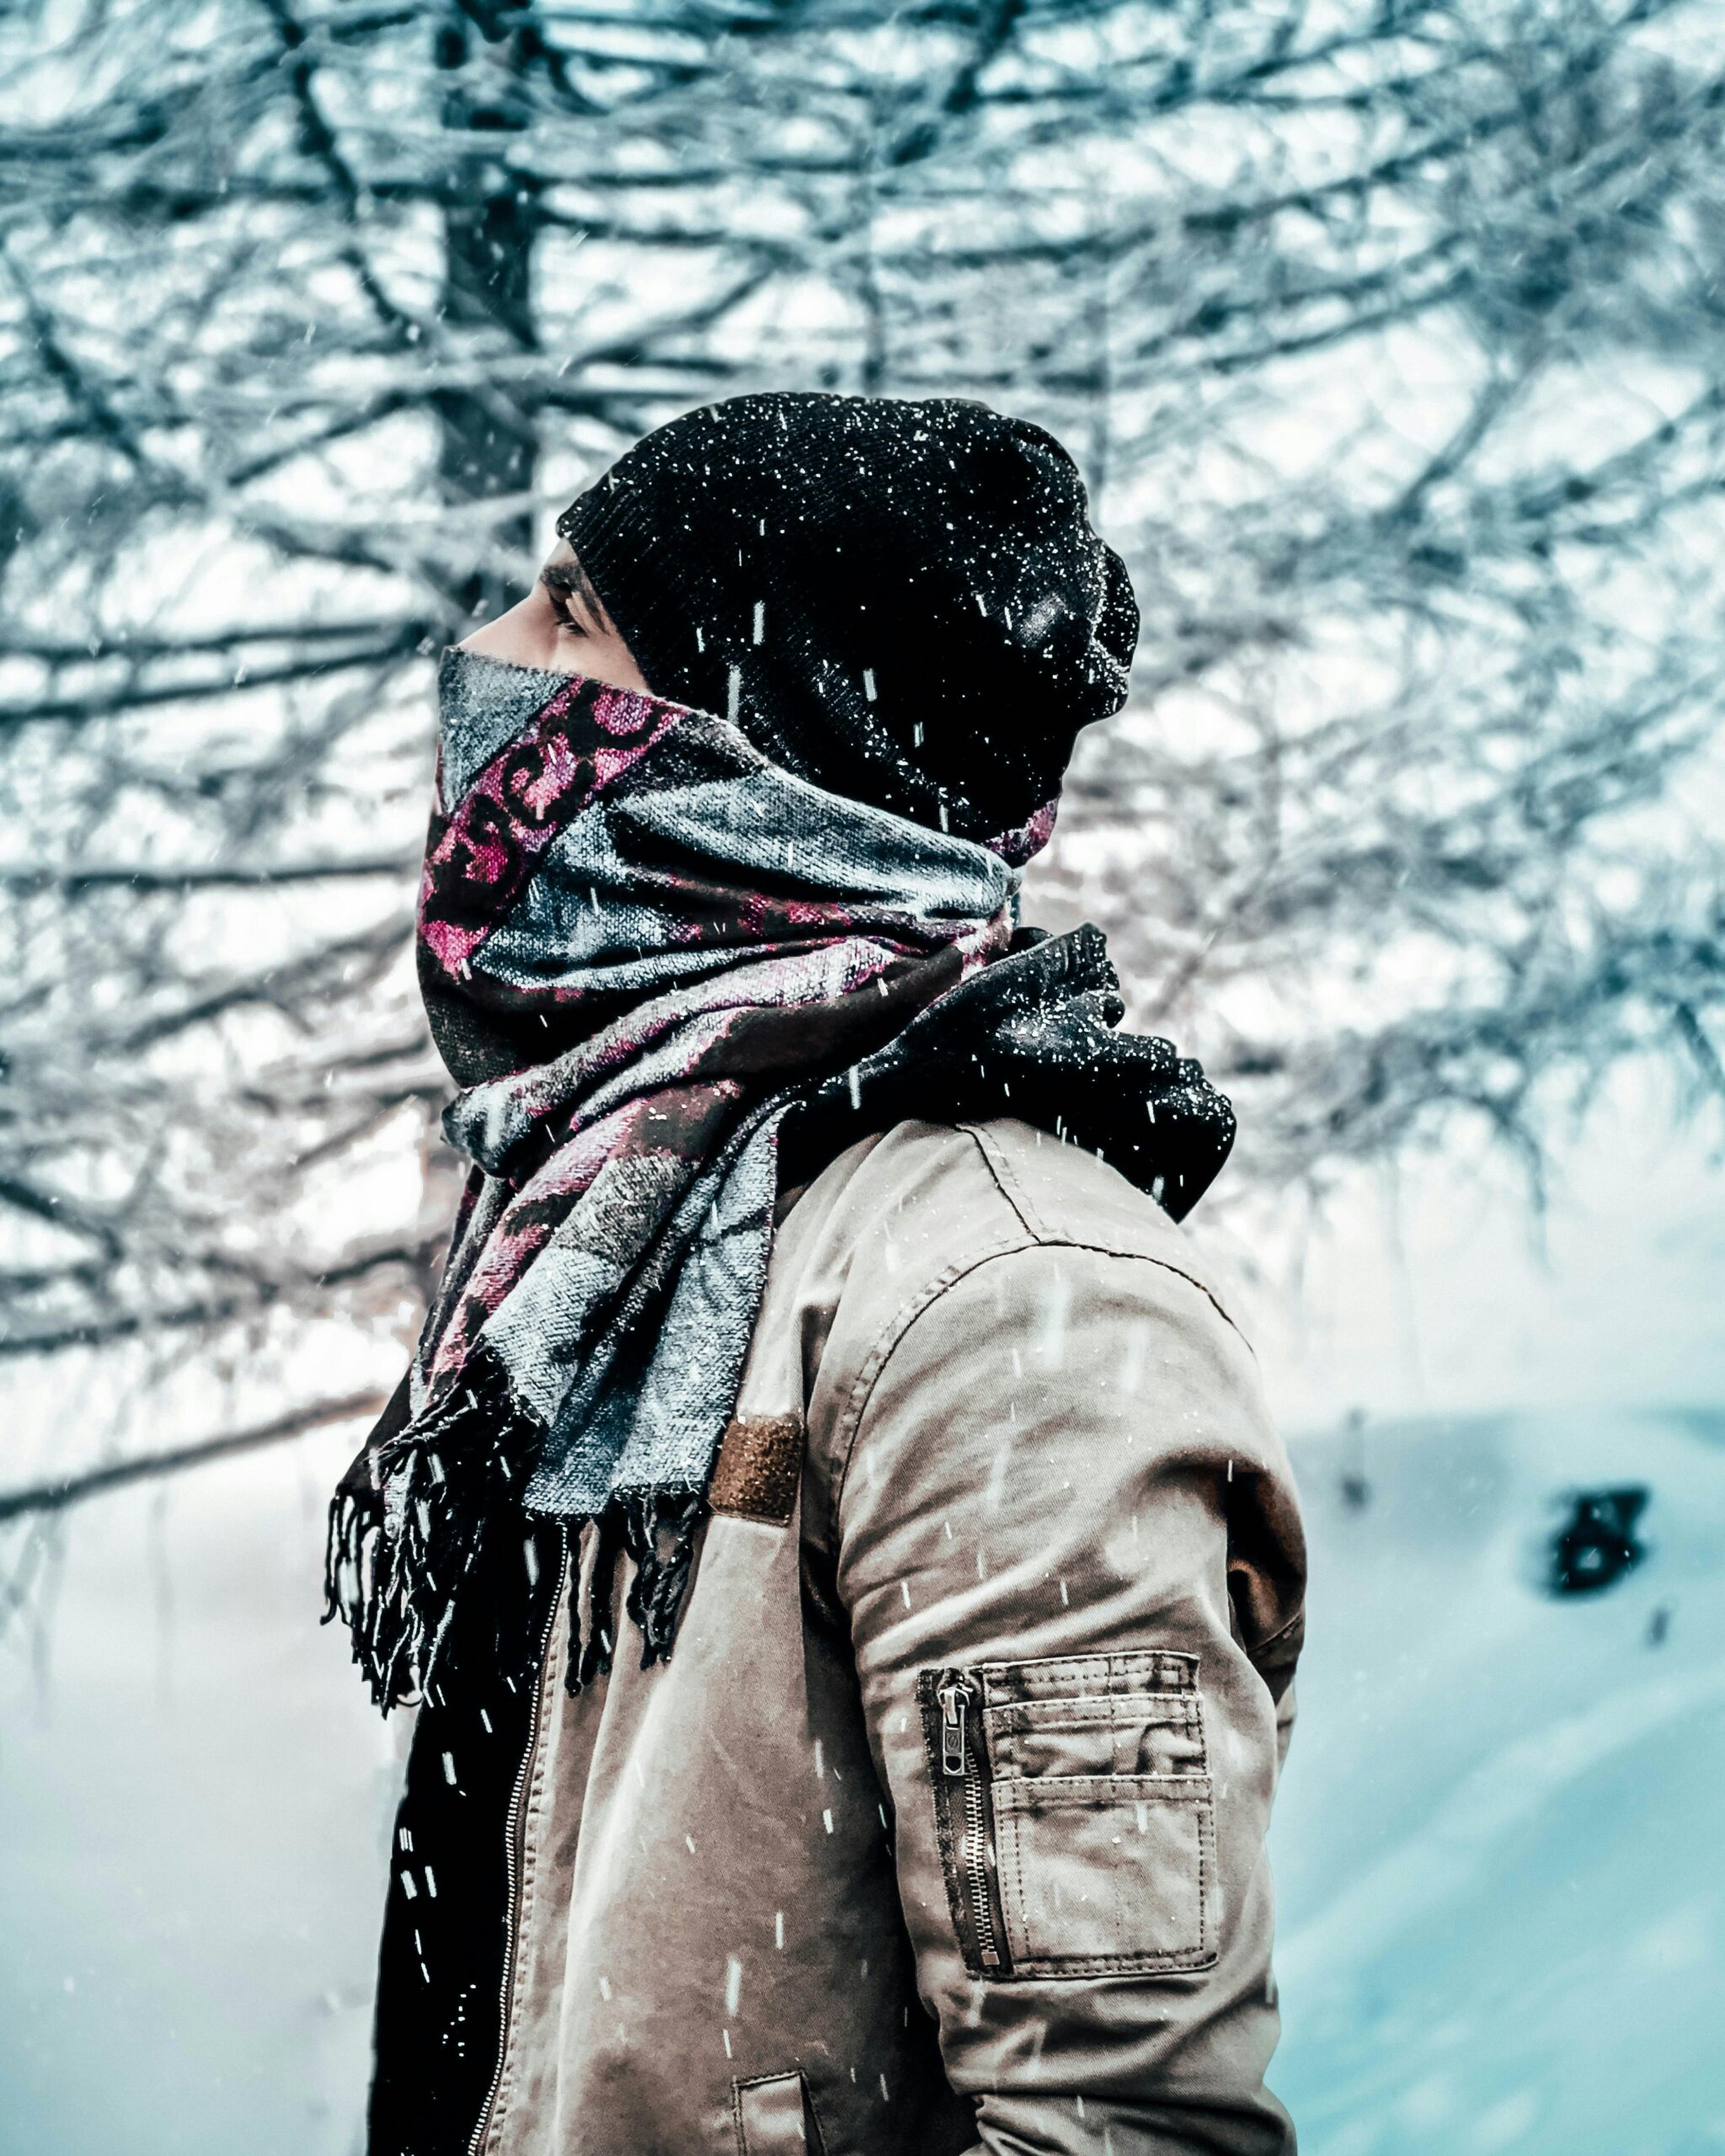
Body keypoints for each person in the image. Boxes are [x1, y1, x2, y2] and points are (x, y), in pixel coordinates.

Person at [326, 392, 1306, 2156]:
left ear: (753, 745)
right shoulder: (636, 1223)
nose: (485, 658)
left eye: (571, 614)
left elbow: (1120, 2124)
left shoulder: (1003, 1306)